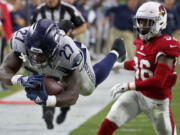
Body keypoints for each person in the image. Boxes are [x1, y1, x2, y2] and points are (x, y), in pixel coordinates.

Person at [0, 19, 126, 129]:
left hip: (62, 60)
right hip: (53, 49)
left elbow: (73, 95)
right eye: (32, 52)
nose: (35, 57)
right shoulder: (21, 39)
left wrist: (48, 100)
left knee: (88, 88)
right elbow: (4, 70)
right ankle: (61, 28)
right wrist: (19, 79)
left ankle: (116, 52)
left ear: (52, 49)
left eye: (40, 54)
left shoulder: (69, 54)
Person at [97, 1, 180, 135]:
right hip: (138, 95)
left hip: (157, 102)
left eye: (145, 22)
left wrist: (129, 85)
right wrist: (120, 65)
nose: (141, 26)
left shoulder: (165, 46)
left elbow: (158, 81)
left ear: (158, 22)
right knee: (110, 120)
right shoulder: (144, 41)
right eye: (140, 21)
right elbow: (140, 64)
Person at [30, 0, 88, 128]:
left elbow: (83, 26)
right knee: (46, 81)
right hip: (45, 53)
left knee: (66, 84)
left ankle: (64, 109)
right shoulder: (38, 11)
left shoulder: (69, 9)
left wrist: (69, 34)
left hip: (65, 52)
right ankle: (48, 111)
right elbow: (30, 31)